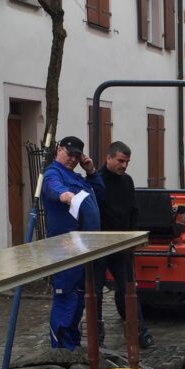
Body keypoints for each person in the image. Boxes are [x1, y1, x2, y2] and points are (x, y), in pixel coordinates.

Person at [42, 136, 103, 350]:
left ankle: (73, 349)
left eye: (77, 156)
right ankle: (60, 353)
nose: (73, 159)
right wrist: (64, 195)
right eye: (70, 154)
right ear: (59, 150)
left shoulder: (77, 176)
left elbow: (100, 194)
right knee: (66, 302)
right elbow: (52, 188)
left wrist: (92, 172)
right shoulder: (53, 173)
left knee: (78, 303)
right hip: (64, 249)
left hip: (83, 249)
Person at [92, 140, 154, 349]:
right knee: (95, 293)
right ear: (108, 158)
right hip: (99, 246)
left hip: (122, 247)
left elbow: (133, 210)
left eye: (127, 161)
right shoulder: (97, 181)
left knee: (129, 289)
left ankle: (140, 333)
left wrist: (132, 237)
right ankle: (96, 339)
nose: (124, 165)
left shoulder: (127, 181)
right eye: (120, 161)